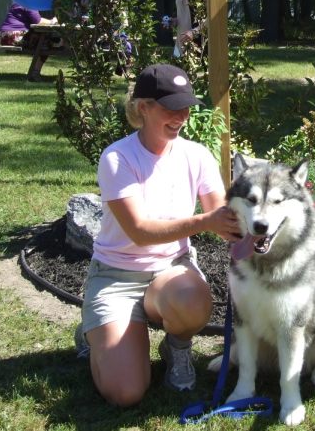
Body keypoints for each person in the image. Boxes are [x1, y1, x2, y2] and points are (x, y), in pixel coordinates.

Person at [76, 63, 241, 407]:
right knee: (125, 393)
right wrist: (205, 221)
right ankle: (95, 332)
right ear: (143, 108)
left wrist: (252, 224)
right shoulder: (117, 158)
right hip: (116, 277)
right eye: (170, 107)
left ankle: (177, 347)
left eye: (185, 107)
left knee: (193, 300)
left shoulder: (196, 154)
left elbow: (223, 216)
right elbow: (139, 231)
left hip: (170, 271)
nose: (181, 116)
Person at [0, 2, 59, 80]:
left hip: (3, 36)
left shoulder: (18, 1)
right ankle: (35, 73)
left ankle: (34, 71)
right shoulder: (28, 3)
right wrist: (53, 21)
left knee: (42, 39)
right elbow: (38, 21)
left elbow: (35, 20)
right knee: (45, 42)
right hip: (13, 36)